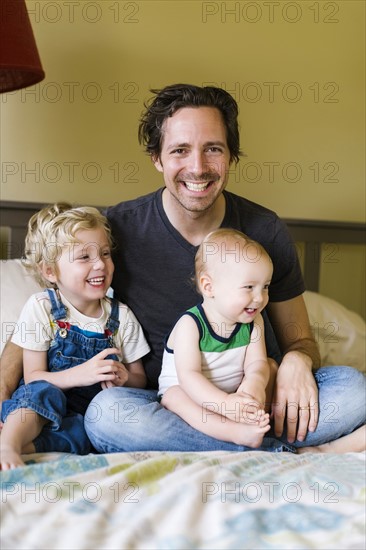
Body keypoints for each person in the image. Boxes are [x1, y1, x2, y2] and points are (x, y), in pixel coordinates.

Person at [1, 84, 365, 454]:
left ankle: (245, 438)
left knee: (353, 389)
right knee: (106, 414)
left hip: (259, 400)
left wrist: (296, 364)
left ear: (231, 157)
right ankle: (269, 448)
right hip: (172, 406)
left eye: (213, 149)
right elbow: (42, 312)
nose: (198, 167)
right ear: (157, 158)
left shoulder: (264, 229)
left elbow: (300, 340)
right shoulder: (117, 230)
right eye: (180, 150)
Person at [0, 203, 150, 469]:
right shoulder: (42, 307)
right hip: (43, 397)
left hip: (86, 410)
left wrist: (126, 379)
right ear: (50, 271)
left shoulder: (121, 316)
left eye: (105, 253)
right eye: (84, 257)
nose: (100, 265)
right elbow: (35, 377)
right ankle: (8, 444)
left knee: (85, 433)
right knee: (40, 394)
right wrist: (81, 374)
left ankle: (24, 448)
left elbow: (139, 377)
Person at [158, 228, 275, 448]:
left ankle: (252, 421)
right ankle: (233, 432)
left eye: (265, 287)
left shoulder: (253, 321)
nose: (259, 298)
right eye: (249, 287)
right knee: (174, 397)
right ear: (209, 287)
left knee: (269, 367)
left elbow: (257, 363)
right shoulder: (191, 325)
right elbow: (189, 376)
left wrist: (254, 385)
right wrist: (224, 404)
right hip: (191, 392)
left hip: (233, 392)